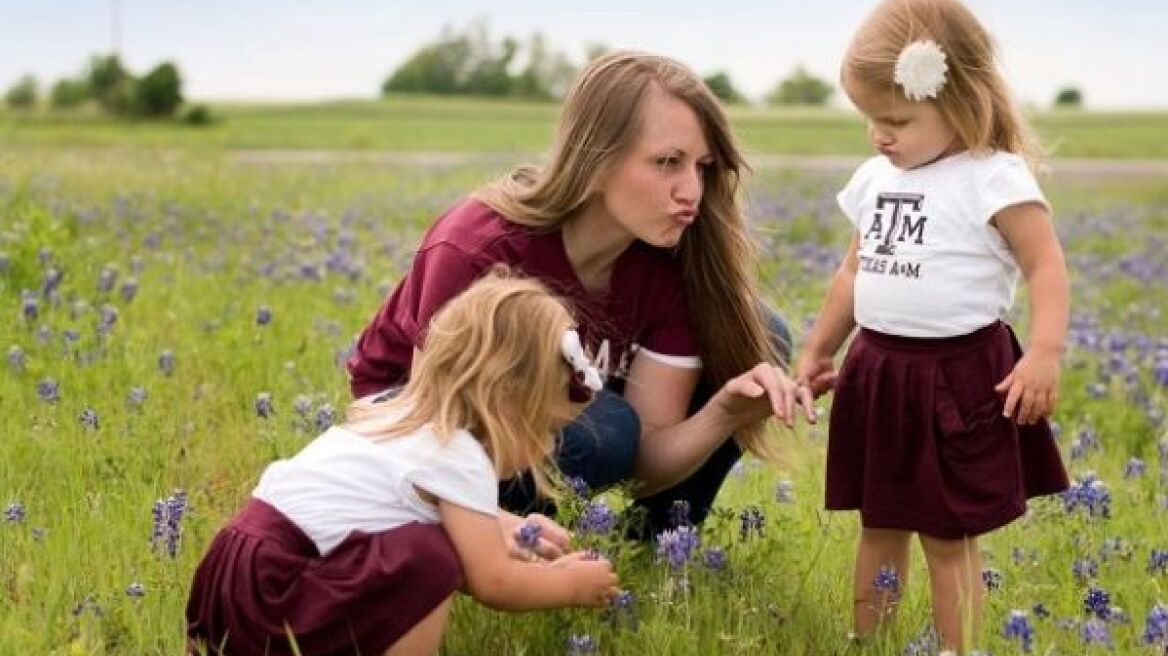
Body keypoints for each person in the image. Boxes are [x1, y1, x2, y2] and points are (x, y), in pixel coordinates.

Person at [347, 51, 815, 535]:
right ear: (596, 159)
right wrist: (499, 535)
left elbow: (644, 462)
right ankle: (512, 536)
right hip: (411, 417)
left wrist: (724, 413)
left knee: (755, 333)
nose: (691, 191)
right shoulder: (481, 247)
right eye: (668, 162)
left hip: (550, 414)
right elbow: (432, 430)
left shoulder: (669, 263)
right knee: (607, 433)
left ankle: (657, 547)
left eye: (702, 166)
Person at [794, 0, 1071, 652]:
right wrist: (816, 347)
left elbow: (1045, 264)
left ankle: (958, 648)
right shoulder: (874, 178)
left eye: (897, 119)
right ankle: (873, 643)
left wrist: (1045, 352)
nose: (879, 135)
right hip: (879, 368)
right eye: (869, 118)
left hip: (960, 375)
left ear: (961, 101)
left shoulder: (992, 177)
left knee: (949, 534)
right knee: (879, 524)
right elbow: (851, 273)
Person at [186, 272, 620, 656]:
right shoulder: (457, 453)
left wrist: (514, 534)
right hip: (278, 592)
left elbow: (456, 537)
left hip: (234, 574)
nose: (548, 447)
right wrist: (571, 586)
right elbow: (494, 582)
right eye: (547, 427)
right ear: (507, 399)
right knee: (430, 560)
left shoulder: (392, 410)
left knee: (431, 547)